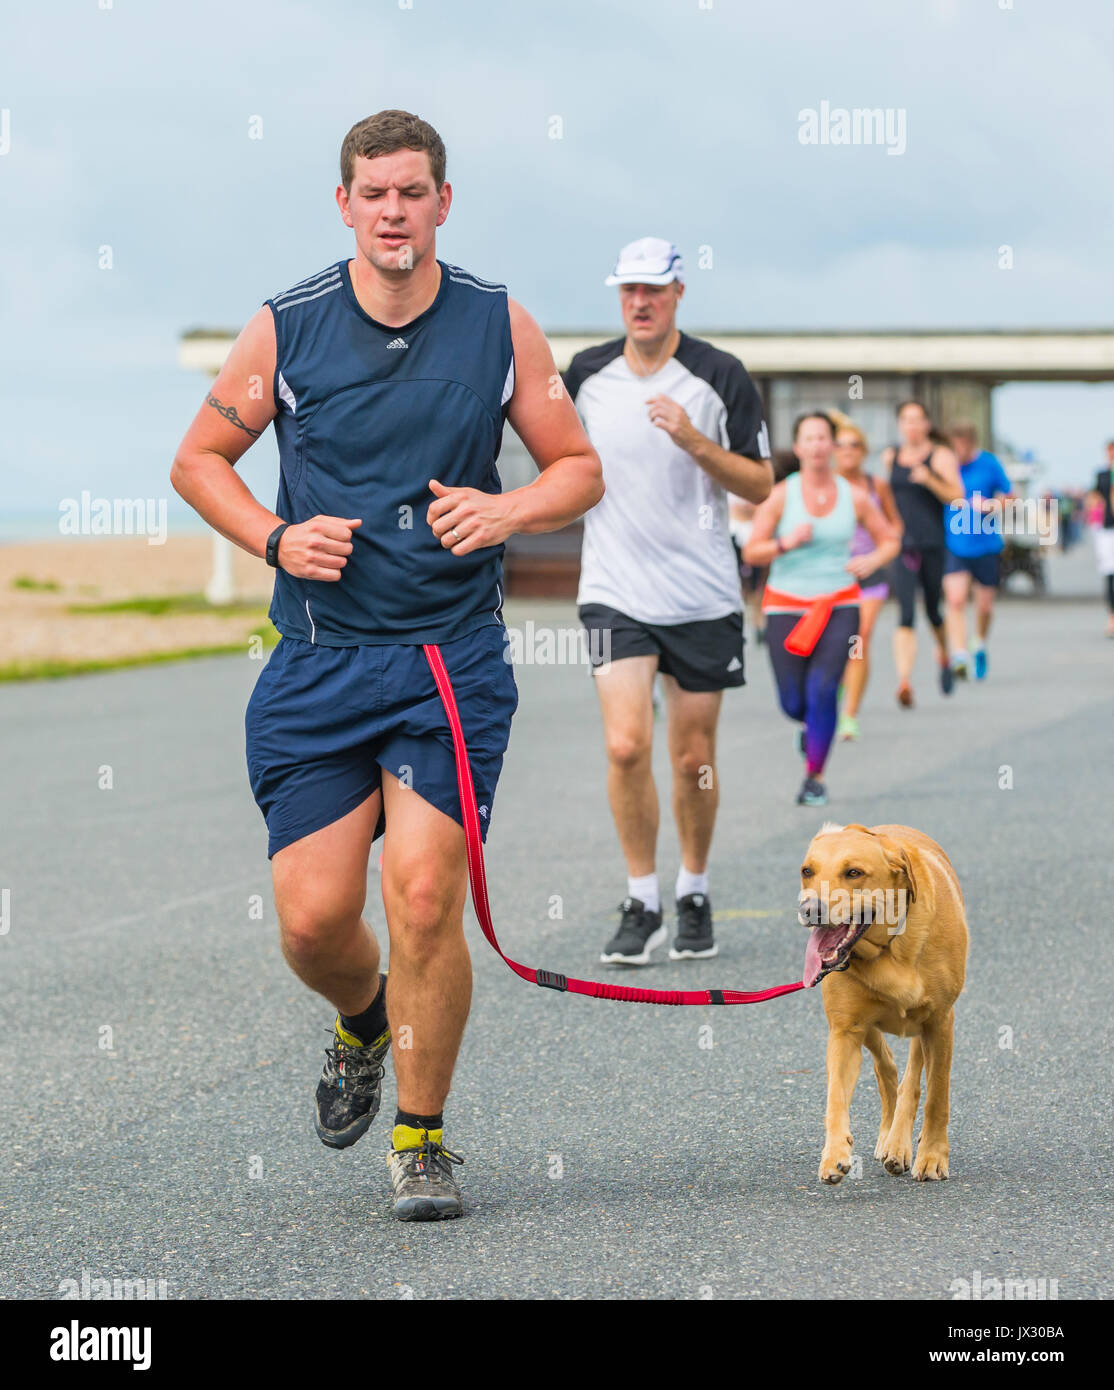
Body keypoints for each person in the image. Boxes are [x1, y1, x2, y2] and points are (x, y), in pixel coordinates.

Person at [170, 110, 603, 1221]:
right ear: (345, 205)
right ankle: (363, 1017)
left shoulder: (500, 323)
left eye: (414, 192)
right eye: (375, 194)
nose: (395, 212)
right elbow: (198, 459)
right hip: (317, 664)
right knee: (314, 921)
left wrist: (506, 509)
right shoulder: (287, 326)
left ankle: (421, 1140)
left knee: (421, 896)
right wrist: (274, 536)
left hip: (445, 663)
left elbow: (577, 469)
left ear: (442, 203)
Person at [564, 237, 773, 966]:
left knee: (691, 760)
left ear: (679, 292)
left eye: (653, 289)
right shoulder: (586, 374)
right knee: (625, 745)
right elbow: (560, 461)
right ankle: (641, 897)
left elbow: (758, 483)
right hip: (614, 590)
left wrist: (693, 441)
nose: (640, 302)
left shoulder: (719, 376)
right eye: (628, 290)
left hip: (703, 596)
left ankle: (693, 888)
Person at [744, 412, 899, 806]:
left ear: (832, 446)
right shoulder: (782, 495)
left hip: (839, 602)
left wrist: (873, 560)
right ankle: (811, 728)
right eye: (808, 439)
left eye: (823, 438)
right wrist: (785, 543)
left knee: (824, 690)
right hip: (786, 605)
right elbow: (752, 550)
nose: (816, 446)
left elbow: (890, 538)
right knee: (793, 701)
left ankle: (814, 776)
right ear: (798, 448)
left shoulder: (856, 496)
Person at [881, 401, 965, 707]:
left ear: (927, 424)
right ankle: (904, 681)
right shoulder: (891, 456)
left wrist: (929, 479)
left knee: (932, 609)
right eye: (906, 420)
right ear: (900, 424)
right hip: (902, 545)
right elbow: (885, 499)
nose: (911, 426)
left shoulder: (940, 456)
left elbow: (957, 497)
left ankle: (943, 654)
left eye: (917, 420)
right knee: (905, 612)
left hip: (932, 543)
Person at [830, 416, 901, 739]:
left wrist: (883, 549)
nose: (847, 451)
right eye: (840, 445)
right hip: (831, 574)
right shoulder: (823, 485)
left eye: (854, 445)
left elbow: (894, 525)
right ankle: (842, 685)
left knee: (861, 634)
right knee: (836, 643)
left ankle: (849, 715)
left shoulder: (877, 486)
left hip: (870, 571)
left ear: (864, 451)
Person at [943, 423, 1014, 680]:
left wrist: (992, 505)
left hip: (986, 545)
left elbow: (1011, 496)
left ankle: (979, 643)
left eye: (960, 445)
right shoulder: (946, 466)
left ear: (970, 443)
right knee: (956, 600)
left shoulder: (989, 463)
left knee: (984, 606)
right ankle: (960, 654)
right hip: (955, 544)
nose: (956, 452)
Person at [1085, 442, 1114, 637]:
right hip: (1107, 528)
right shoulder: (1102, 475)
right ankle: (1112, 616)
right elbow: (1093, 497)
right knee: (1110, 573)